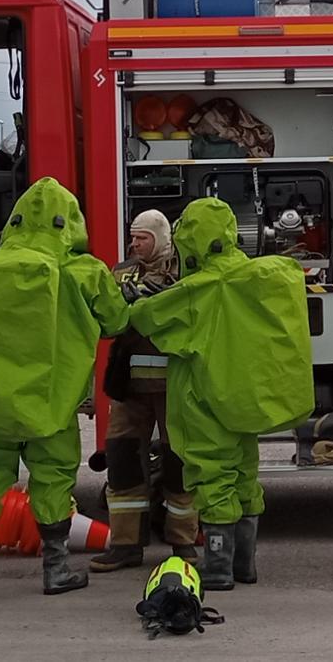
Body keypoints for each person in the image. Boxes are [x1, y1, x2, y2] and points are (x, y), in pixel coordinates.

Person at [0, 178, 129, 600]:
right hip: (51, 404)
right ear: (70, 223)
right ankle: (55, 571)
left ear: (16, 220)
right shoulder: (85, 273)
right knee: (53, 480)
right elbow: (116, 322)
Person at [129, 197, 315, 591]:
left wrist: (135, 297)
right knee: (245, 477)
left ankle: (217, 570)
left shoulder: (199, 289)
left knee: (213, 477)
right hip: (242, 401)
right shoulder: (258, 277)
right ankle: (244, 565)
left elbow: (145, 318)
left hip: (205, 400)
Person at [90, 210, 199, 572]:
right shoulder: (121, 272)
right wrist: (121, 302)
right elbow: (106, 322)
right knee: (122, 463)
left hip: (173, 387)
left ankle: (183, 543)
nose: (134, 244)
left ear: (161, 237)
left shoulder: (186, 273)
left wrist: (162, 299)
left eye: (143, 238)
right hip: (129, 388)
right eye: (133, 237)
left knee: (178, 465)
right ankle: (125, 546)